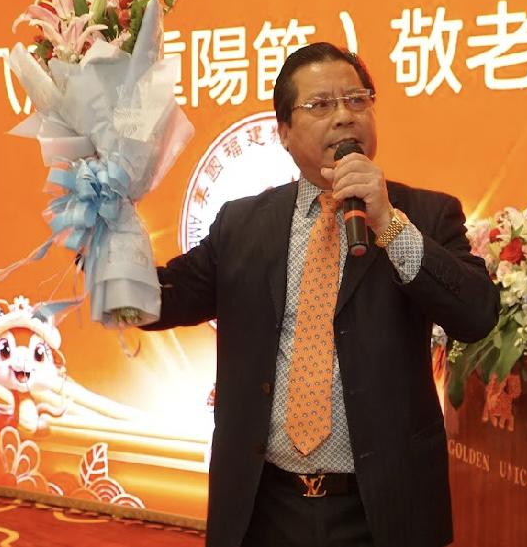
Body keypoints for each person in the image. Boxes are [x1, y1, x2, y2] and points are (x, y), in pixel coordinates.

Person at [143, 42, 499, 547]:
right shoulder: (242, 223)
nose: (344, 116)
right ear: (284, 132)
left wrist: (388, 223)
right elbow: (163, 298)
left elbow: (477, 313)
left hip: (382, 510)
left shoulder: (426, 214)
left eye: (357, 100)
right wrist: (107, 248)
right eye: (321, 105)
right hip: (264, 507)